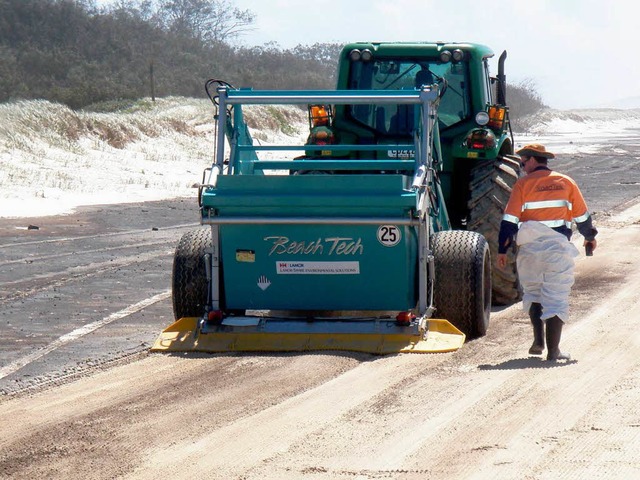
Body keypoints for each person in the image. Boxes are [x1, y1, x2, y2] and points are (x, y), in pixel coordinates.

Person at [497, 144, 598, 361]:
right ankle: (554, 351)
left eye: (523, 161)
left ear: (534, 160)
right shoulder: (566, 182)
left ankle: (538, 341)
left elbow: (509, 220)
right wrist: (590, 238)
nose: (522, 166)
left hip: (529, 248)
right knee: (556, 296)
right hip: (556, 249)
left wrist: (502, 250)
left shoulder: (522, 184)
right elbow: (582, 217)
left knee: (534, 291)